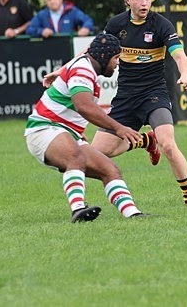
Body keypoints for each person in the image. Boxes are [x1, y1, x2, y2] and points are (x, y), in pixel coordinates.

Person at [48, 0, 187, 205]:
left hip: (154, 94)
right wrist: (62, 71)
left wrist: (185, 75)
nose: (144, 3)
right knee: (96, 154)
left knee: (168, 144)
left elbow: (179, 56)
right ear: (128, 0)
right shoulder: (117, 24)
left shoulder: (161, 25)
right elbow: (92, 51)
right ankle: (145, 141)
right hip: (126, 97)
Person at [25, 32, 150, 222]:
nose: (117, 63)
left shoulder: (88, 68)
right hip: (44, 129)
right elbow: (83, 106)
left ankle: (133, 214)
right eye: (116, 58)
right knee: (76, 157)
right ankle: (78, 210)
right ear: (104, 56)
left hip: (63, 132)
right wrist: (118, 128)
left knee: (110, 170)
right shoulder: (83, 69)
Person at [26, 0, 94, 38]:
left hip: (70, 47)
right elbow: (29, 29)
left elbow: (88, 20)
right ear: (46, 2)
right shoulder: (42, 15)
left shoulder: (71, 11)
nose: (52, 1)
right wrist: (41, 31)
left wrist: (86, 28)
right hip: (50, 48)